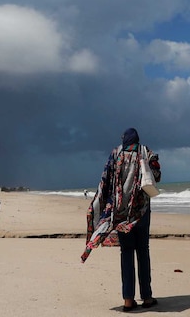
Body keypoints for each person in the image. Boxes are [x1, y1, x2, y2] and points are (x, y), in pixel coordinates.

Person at [81, 128, 161, 311]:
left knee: (126, 252)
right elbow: (157, 176)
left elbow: (106, 180)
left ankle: (127, 299)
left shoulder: (116, 154)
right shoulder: (145, 152)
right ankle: (147, 297)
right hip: (141, 211)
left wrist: (102, 206)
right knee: (143, 251)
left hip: (121, 213)